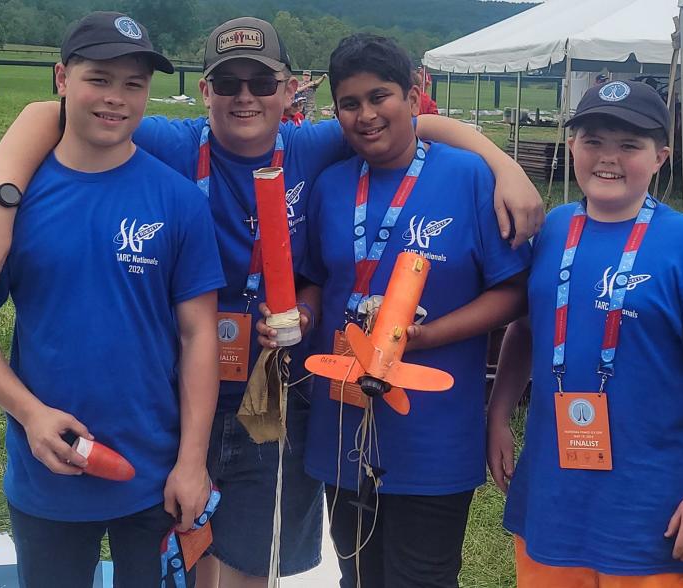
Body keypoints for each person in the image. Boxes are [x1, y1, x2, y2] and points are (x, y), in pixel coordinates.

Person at [0, 16, 545, 587]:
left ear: (289, 91)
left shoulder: (312, 148)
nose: (245, 97)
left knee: (253, 558)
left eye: (262, 82)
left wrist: (502, 165)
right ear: (205, 90)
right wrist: (0, 201)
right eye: (228, 83)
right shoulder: (170, 142)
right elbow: (44, 115)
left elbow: (410, 123)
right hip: (181, 397)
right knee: (190, 545)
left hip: (280, 398)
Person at [0, 12, 224, 587]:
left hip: (156, 475)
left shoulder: (177, 200)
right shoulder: (8, 207)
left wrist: (191, 461)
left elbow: (199, 336)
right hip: (49, 473)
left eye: (133, 84)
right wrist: (31, 414)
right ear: (62, 78)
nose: (116, 99)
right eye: (99, 78)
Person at [257, 34, 530, 588]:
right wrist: (302, 318)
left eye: (379, 97)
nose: (366, 115)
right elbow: (313, 279)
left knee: (423, 577)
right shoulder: (331, 185)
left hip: (435, 427)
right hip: (343, 418)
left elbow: (514, 292)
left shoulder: (470, 177)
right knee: (358, 574)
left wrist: (428, 336)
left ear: (414, 95)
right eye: (350, 104)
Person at [488, 81, 683, 587]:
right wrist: (498, 416)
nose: (608, 158)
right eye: (593, 141)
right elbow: (524, 330)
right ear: (572, 147)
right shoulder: (551, 231)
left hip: (648, 506)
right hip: (552, 496)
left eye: (629, 145)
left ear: (661, 156)